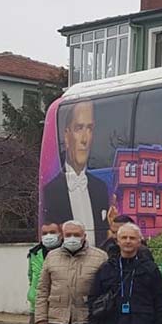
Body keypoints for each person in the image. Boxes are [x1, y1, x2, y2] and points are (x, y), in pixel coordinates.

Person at [42, 100, 112, 243]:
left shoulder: (100, 188)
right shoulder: (51, 191)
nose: (84, 139)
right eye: (79, 128)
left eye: (89, 128)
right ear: (66, 136)